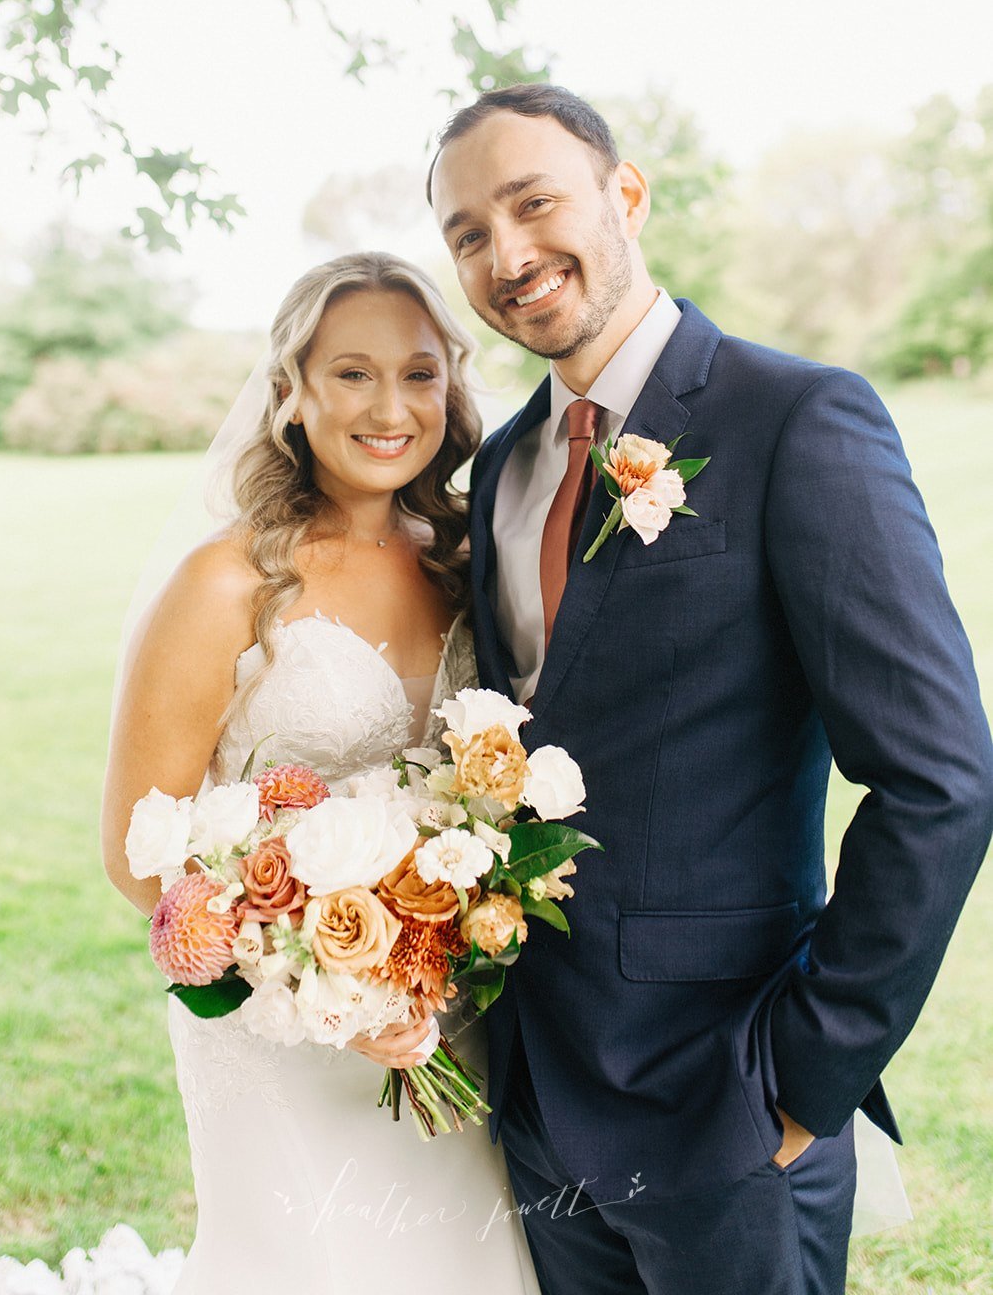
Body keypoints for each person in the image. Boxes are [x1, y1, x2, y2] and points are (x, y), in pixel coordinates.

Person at [426, 83, 993, 1295]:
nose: (506, 254)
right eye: (467, 233)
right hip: (539, 1098)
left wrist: (802, 1075)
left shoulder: (795, 418)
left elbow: (938, 778)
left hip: (728, 1101)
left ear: (625, 194)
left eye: (533, 204)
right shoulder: (505, 465)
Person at [100, 252, 540, 1294]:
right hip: (280, 1028)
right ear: (291, 391)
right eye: (351, 373)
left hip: (451, 1010)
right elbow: (138, 852)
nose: (390, 405)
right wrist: (325, 984)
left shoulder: (466, 557)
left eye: (421, 374)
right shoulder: (224, 581)